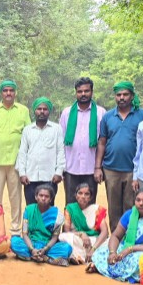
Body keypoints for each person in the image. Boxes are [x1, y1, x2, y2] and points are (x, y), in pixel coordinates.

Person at [95, 81, 143, 232]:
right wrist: (98, 167)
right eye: (118, 95)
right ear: (115, 97)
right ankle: (115, 237)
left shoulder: (142, 115)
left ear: (132, 96)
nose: (122, 97)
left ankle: (130, 237)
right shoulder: (108, 117)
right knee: (114, 208)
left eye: (125, 94)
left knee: (131, 206)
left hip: (133, 170)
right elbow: (102, 142)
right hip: (111, 169)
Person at [90, 188, 143, 282]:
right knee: (103, 250)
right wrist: (112, 252)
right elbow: (116, 236)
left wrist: (131, 249)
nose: (141, 203)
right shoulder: (130, 214)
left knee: (139, 260)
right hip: (127, 246)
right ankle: (111, 267)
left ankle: (106, 268)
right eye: (138, 200)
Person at [0, 80, 32, 235]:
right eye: (5, 90)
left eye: (11, 90)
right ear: (1, 93)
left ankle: (15, 228)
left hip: (16, 162)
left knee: (15, 197)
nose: (8, 93)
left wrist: (27, 161)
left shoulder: (23, 110)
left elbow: (28, 135)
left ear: (15, 92)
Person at [60, 77, 105, 205]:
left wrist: (99, 167)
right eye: (80, 91)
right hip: (70, 167)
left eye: (86, 91)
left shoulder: (101, 113)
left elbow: (103, 141)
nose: (83, 94)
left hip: (91, 168)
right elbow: (61, 141)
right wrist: (61, 167)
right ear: (76, 93)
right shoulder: (67, 113)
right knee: (71, 204)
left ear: (92, 92)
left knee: (89, 205)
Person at [16, 97, 65, 205]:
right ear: (35, 111)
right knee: (31, 208)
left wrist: (59, 172)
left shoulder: (56, 129)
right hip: (30, 178)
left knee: (48, 208)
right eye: (39, 109)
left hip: (50, 178)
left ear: (49, 111)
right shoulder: (27, 130)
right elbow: (22, 153)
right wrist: (22, 173)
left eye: (45, 109)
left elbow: (60, 152)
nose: (42, 111)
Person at [11, 184, 73, 266]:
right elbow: (25, 233)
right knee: (14, 242)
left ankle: (35, 256)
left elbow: (55, 237)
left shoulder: (57, 214)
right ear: (36, 197)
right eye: (41, 195)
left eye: (46, 196)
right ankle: (45, 258)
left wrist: (45, 249)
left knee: (67, 248)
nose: (43, 198)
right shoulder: (29, 210)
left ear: (51, 199)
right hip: (31, 243)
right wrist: (32, 249)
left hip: (47, 245)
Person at [59, 183, 109, 266]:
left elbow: (104, 232)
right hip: (78, 239)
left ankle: (80, 256)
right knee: (63, 236)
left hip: (93, 241)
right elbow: (67, 231)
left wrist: (93, 249)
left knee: (108, 241)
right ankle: (84, 257)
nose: (83, 196)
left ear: (90, 197)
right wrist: (81, 234)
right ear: (76, 196)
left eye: (87, 194)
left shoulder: (96, 209)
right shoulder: (70, 208)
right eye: (80, 193)